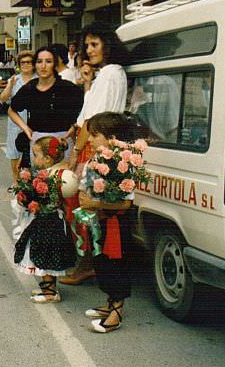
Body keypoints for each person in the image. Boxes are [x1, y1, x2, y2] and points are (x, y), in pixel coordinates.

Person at [62, 23, 128, 286]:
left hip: (94, 143)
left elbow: (92, 121)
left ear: (107, 45)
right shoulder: (107, 74)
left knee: (83, 207)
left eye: (94, 44)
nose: (89, 50)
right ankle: (89, 262)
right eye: (86, 46)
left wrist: (76, 152)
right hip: (95, 141)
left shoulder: (111, 73)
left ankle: (87, 264)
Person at [79, 112, 139, 333]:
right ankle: (109, 303)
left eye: (95, 135)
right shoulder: (96, 161)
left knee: (117, 264)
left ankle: (117, 310)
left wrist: (95, 204)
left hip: (116, 224)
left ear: (112, 138)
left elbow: (125, 204)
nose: (90, 139)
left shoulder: (123, 163)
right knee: (101, 262)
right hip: (99, 221)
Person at [12, 136, 78, 303]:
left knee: (47, 254)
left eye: (36, 155)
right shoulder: (51, 174)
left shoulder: (53, 177)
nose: (33, 158)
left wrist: (26, 198)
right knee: (44, 252)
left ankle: (50, 291)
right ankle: (48, 287)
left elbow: (45, 199)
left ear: (48, 159)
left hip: (49, 222)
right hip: (47, 221)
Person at [8, 46, 84, 163]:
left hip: (63, 142)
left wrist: (74, 127)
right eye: (39, 61)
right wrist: (26, 128)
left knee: (62, 179)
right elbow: (11, 110)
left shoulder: (67, 87)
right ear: (35, 65)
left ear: (55, 64)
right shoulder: (30, 88)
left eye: (48, 61)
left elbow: (85, 109)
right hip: (37, 143)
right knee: (38, 179)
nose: (43, 66)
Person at [0, 51, 35, 181]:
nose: (26, 65)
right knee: (14, 152)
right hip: (16, 120)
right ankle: (16, 181)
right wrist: (10, 86)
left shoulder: (39, 79)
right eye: (23, 63)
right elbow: (3, 99)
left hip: (34, 121)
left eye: (29, 62)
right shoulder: (14, 79)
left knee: (33, 151)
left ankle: (31, 181)